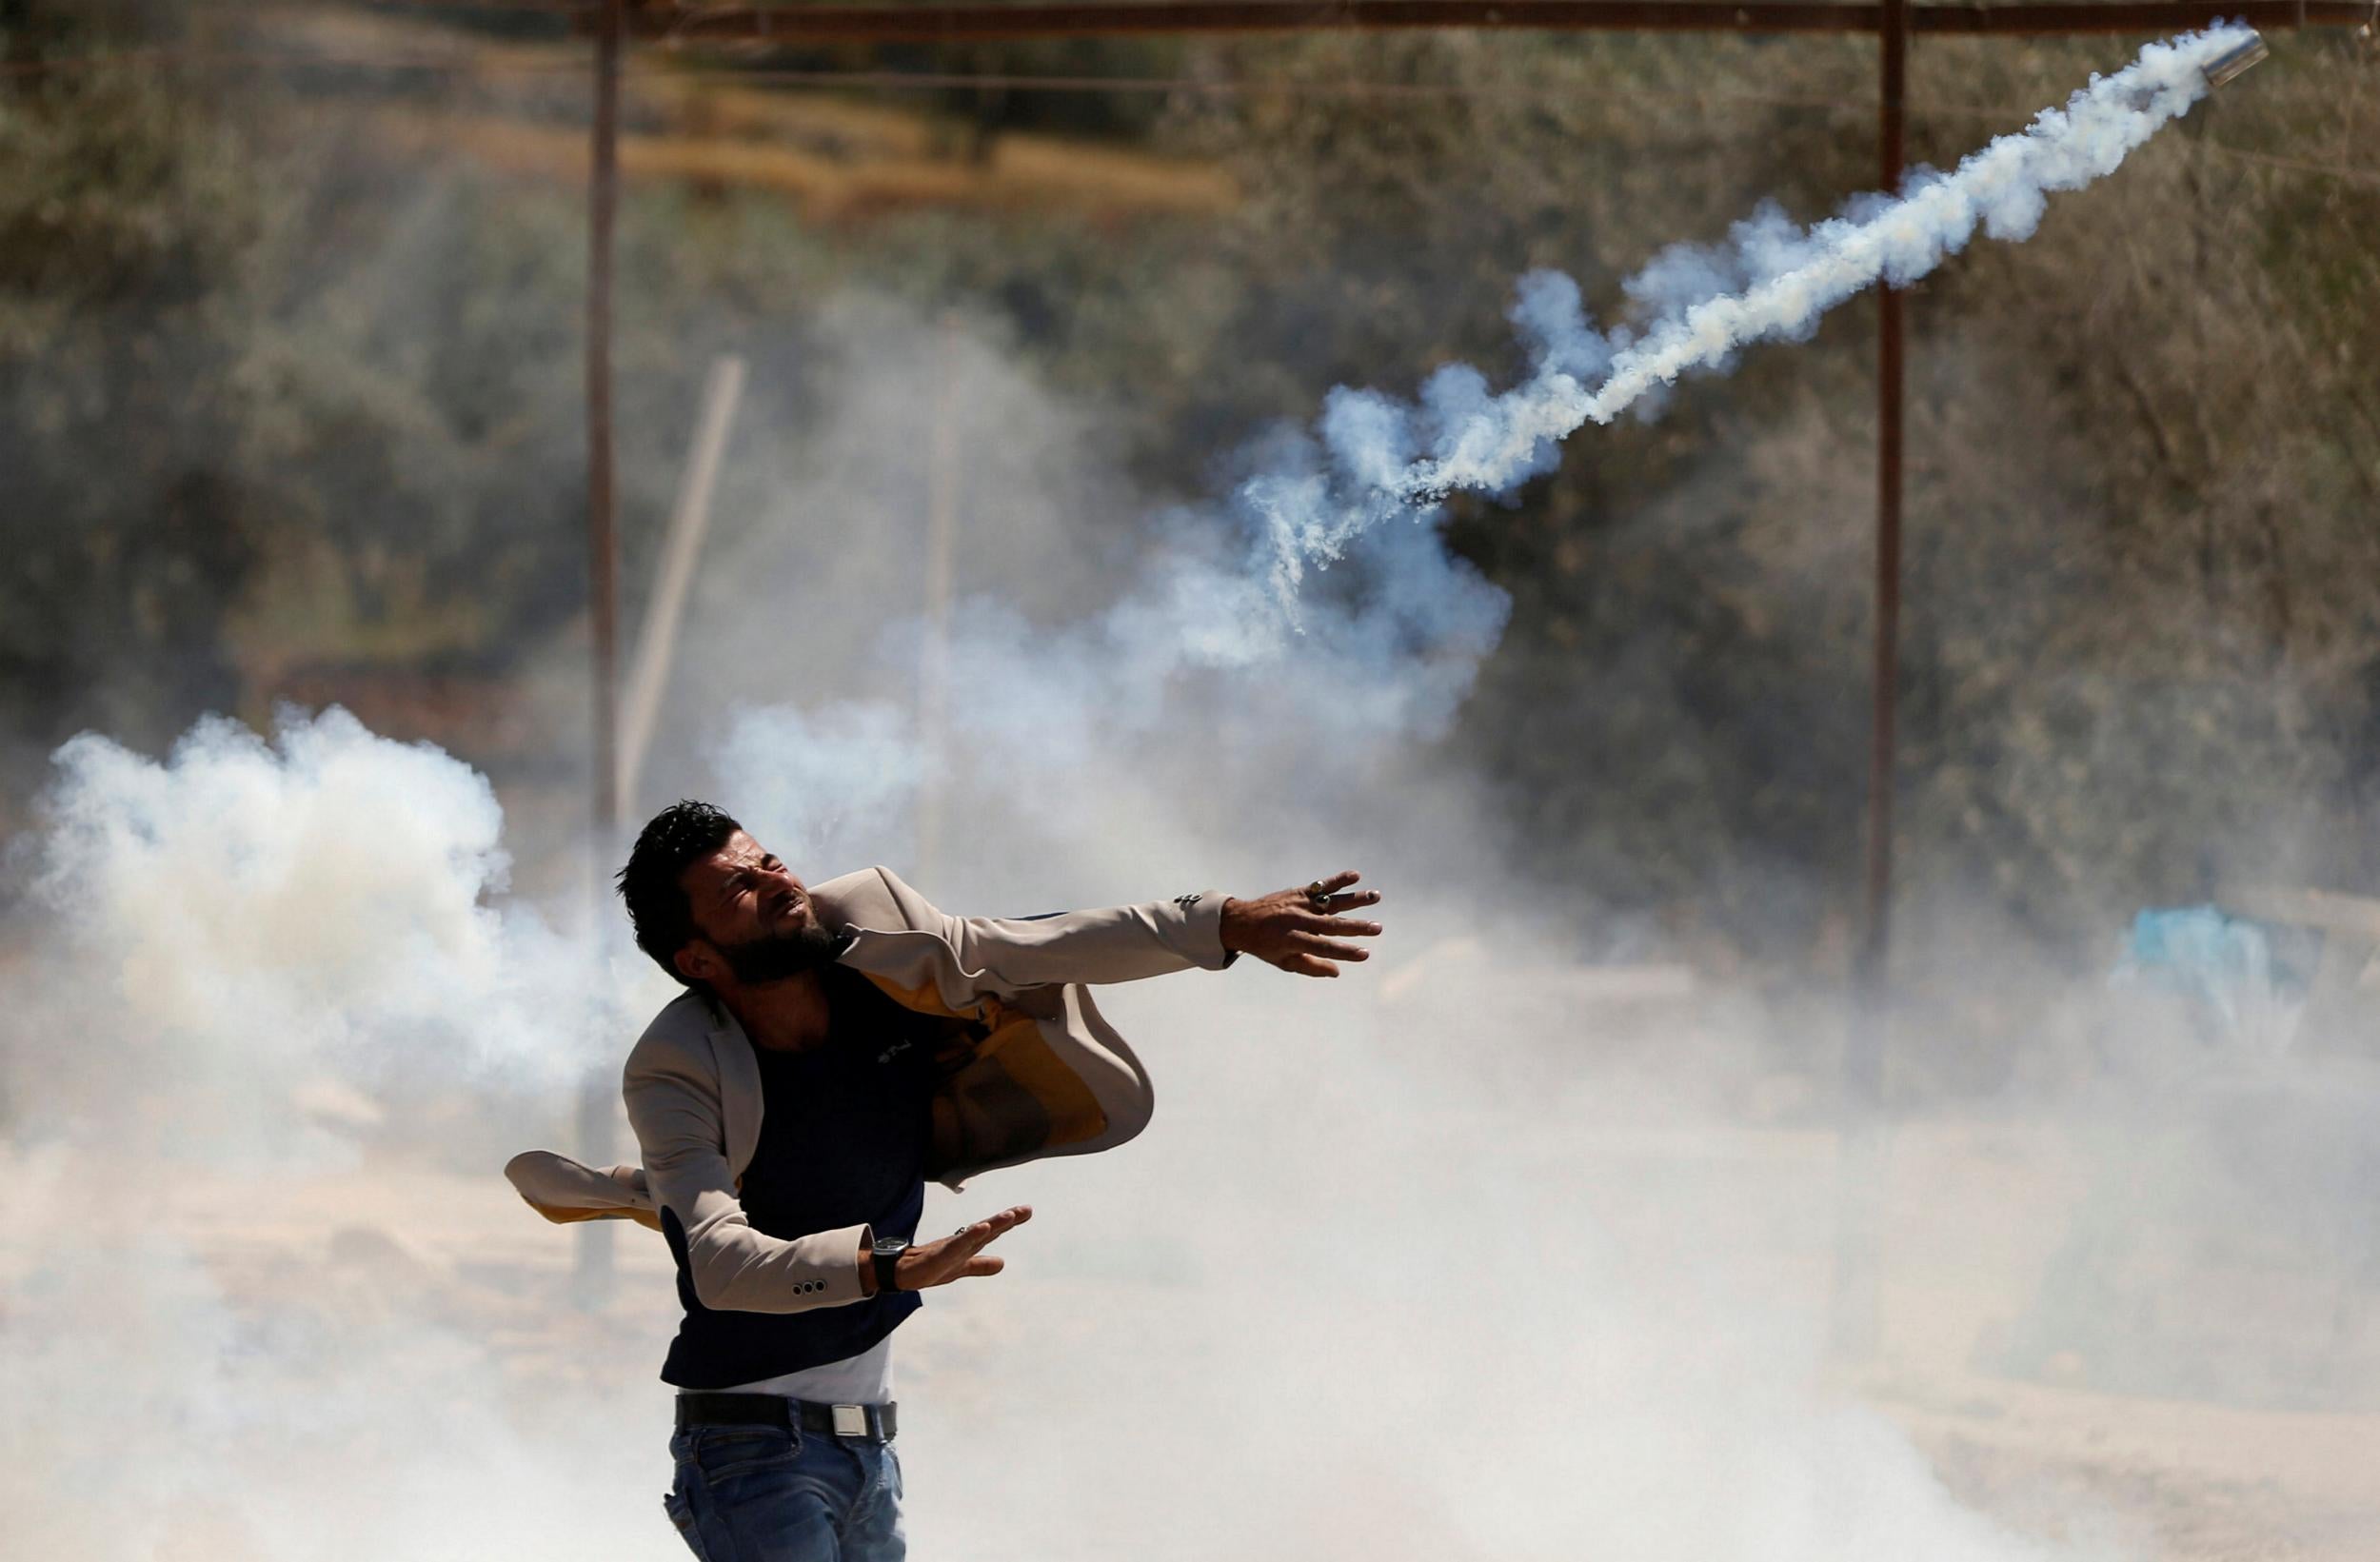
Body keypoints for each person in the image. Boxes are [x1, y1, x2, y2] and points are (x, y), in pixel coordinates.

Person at [505, 800, 1383, 1562]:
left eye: (768, 858)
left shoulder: (876, 940)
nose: (778, 881)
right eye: (740, 888)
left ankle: (640, 1190)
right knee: (702, 1208)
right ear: (698, 958)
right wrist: (882, 1267)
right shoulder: (674, 1064)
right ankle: (652, 1189)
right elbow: (720, 1267)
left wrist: (1223, 923)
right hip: (748, 1454)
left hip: (869, 1448)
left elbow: (1042, 942)